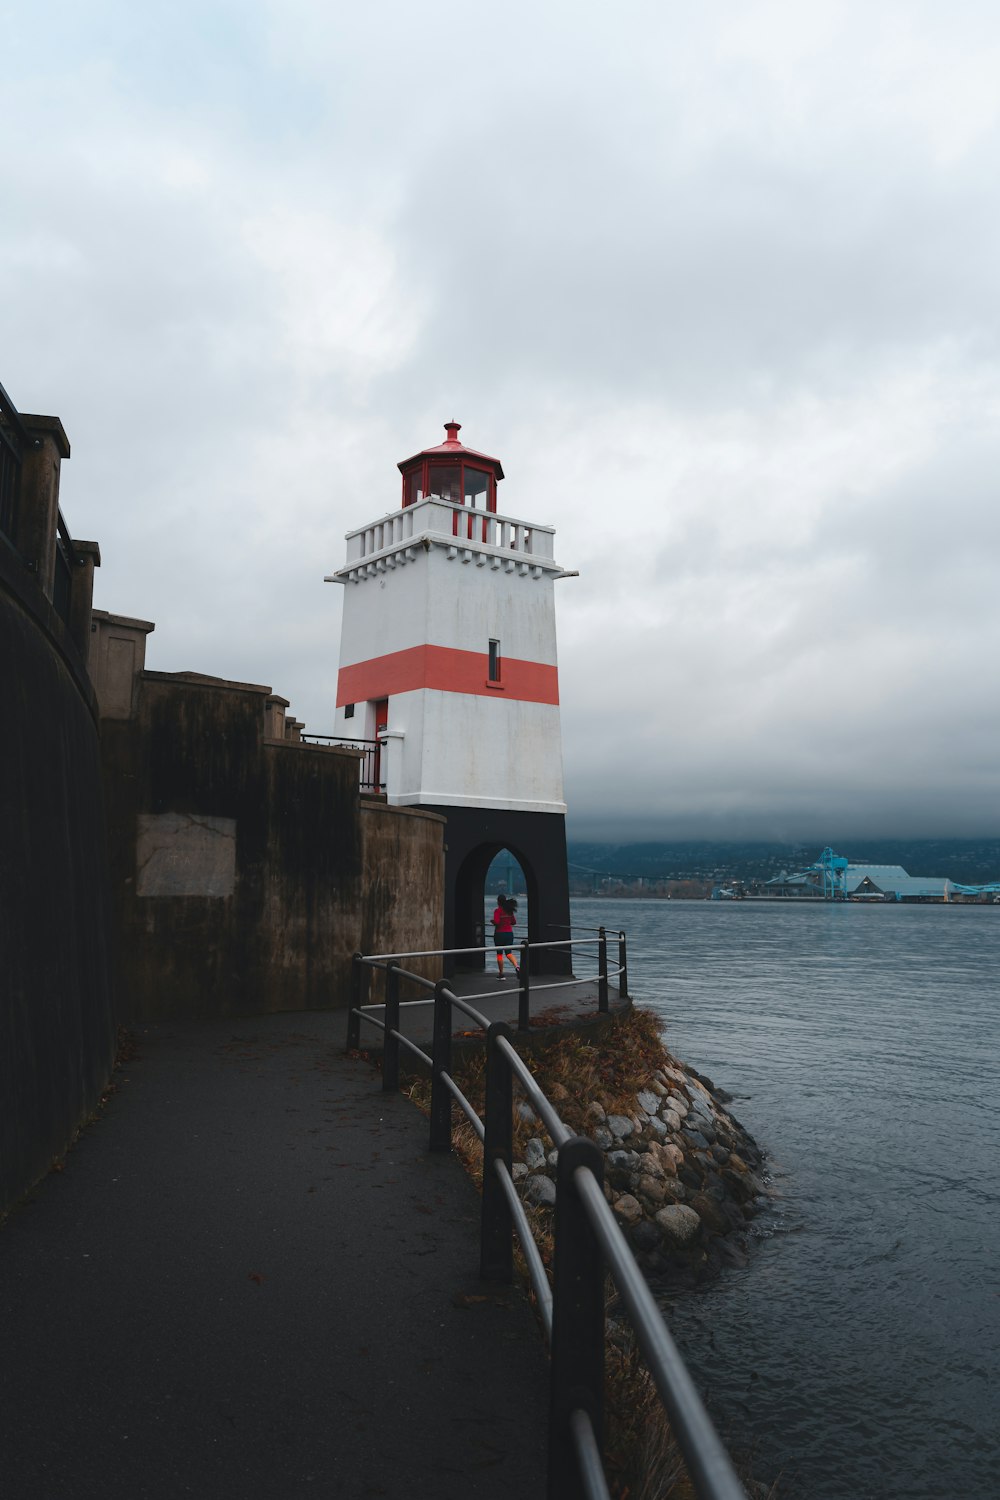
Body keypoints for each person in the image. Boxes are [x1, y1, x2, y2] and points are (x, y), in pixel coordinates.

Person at [491, 895, 520, 980]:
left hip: (499, 934)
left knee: (499, 953)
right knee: (509, 953)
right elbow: (514, 922)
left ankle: (501, 974)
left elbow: (497, 922)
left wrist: (492, 921)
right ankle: (517, 966)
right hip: (509, 934)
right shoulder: (509, 911)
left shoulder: (497, 911)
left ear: (498, 902)